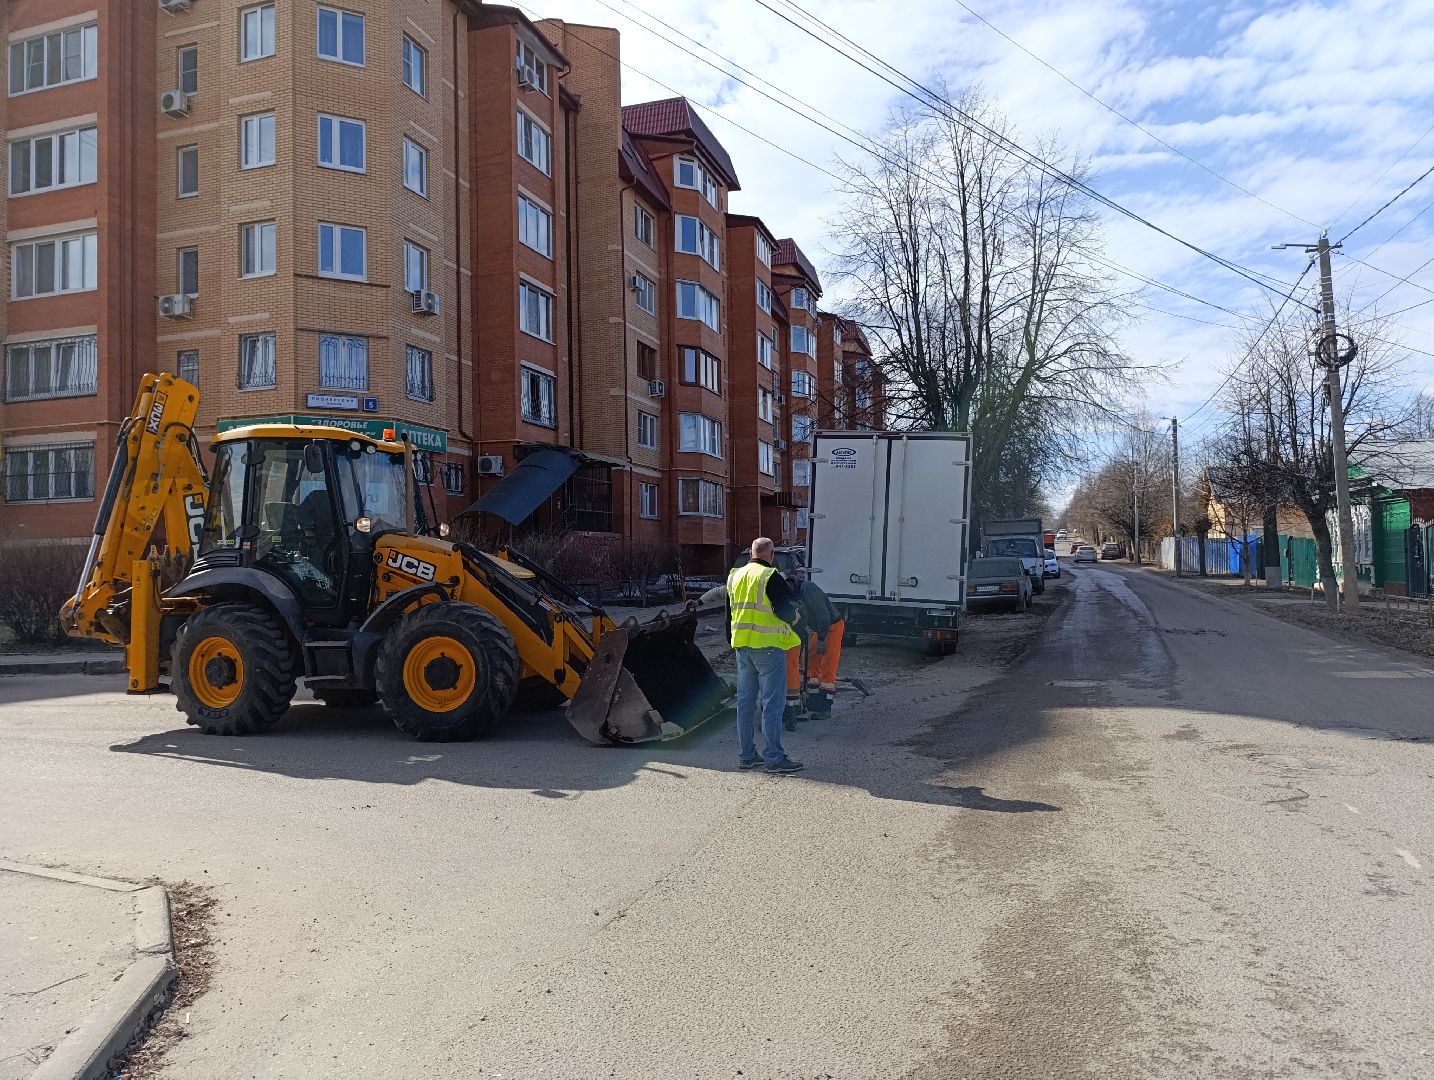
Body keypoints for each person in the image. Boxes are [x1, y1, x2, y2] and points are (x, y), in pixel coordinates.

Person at [720, 538, 804, 774]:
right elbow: (786, 611)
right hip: (768, 649)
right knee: (772, 705)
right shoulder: (770, 576)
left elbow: (729, 615)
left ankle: (746, 755)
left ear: (750, 554)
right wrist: (798, 619)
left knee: (745, 704)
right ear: (771, 554)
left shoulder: (735, 576)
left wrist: (733, 641)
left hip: (742, 648)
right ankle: (774, 758)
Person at [785, 578, 844, 722]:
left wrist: (822, 639)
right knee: (812, 665)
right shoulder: (796, 592)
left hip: (831, 627)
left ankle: (824, 707)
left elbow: (822, 615)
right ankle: (813, 702)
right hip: (819, 629)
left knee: (827, 670)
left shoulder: (808, 589)